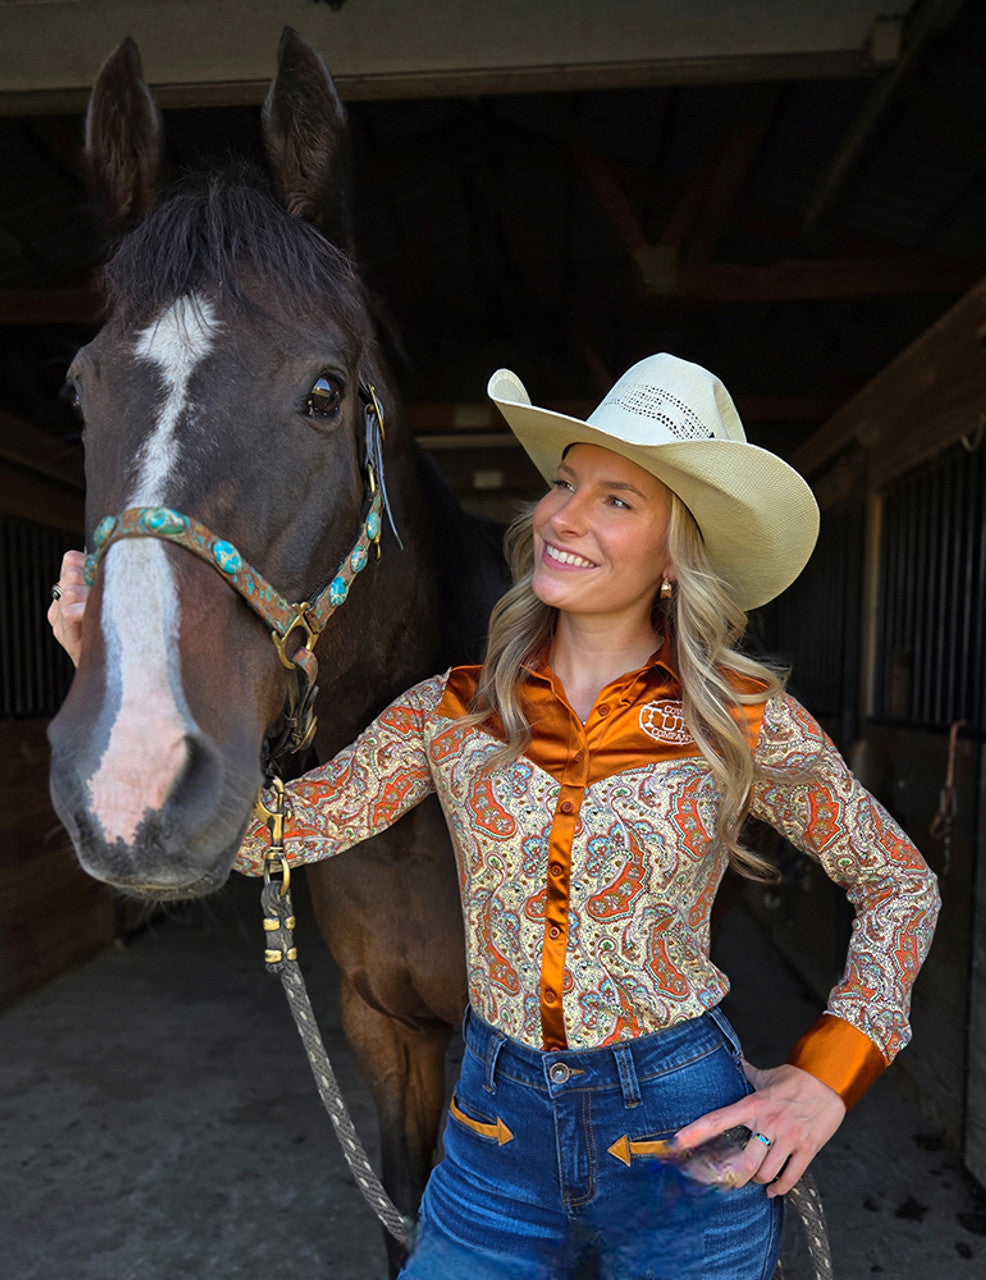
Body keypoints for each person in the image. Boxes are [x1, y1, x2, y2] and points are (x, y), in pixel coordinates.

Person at [50, 354, 940, 1280]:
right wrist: (117, 688)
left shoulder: (741, 718)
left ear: (679, 554)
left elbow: (899, 882)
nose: (563, 517)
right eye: (566, 485)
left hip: (687, 1142)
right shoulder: (456, 710)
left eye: (618, 501)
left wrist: (831, 1075)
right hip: (491, 1141)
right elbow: (272, 834)